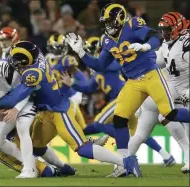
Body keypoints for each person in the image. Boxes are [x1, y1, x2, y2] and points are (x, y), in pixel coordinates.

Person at [65, 4, 190, 172]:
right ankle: (125, 162)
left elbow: (154, 36)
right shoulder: (108, 40)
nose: (107, 25)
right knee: (120, 118)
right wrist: (81, 53)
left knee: (169, 113)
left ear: (119, 19)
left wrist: (145, 46)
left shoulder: (132, 25)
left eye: (110, 21)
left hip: (151, 74)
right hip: (133, 82)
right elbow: (100, 65)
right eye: (105, 22)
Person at [0, 41, 142, 177]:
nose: (12, 62)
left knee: (82, 149)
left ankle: (126, 162)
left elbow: (15, 97)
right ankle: (65, 169)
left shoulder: (33, 73)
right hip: (46, 111)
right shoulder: (37, 57)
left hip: (59, 111)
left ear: (24, 61)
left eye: (16, 60)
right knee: (36, 147)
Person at [62, 36, 176, 177]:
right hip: (125, 100)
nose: (92, 52)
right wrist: (72, 83)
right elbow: (89, 88)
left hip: (124, 96)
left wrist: (97, 66)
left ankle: (119, 149)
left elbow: (116, 65)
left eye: (92, 49)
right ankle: (165, 155)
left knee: (99, 121)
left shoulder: (109, 61)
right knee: (137, 133)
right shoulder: (99, 69)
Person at [127, 12, 190, 174]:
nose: (164, 33)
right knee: (161, 116)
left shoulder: (186, 43)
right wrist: (139, 54)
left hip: (186, 87)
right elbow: (158, 61)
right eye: (162, 29)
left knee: (166, 116)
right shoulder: (167, 44)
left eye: (167, 29)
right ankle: (123, 162)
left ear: (177, 28)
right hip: (174, 87)